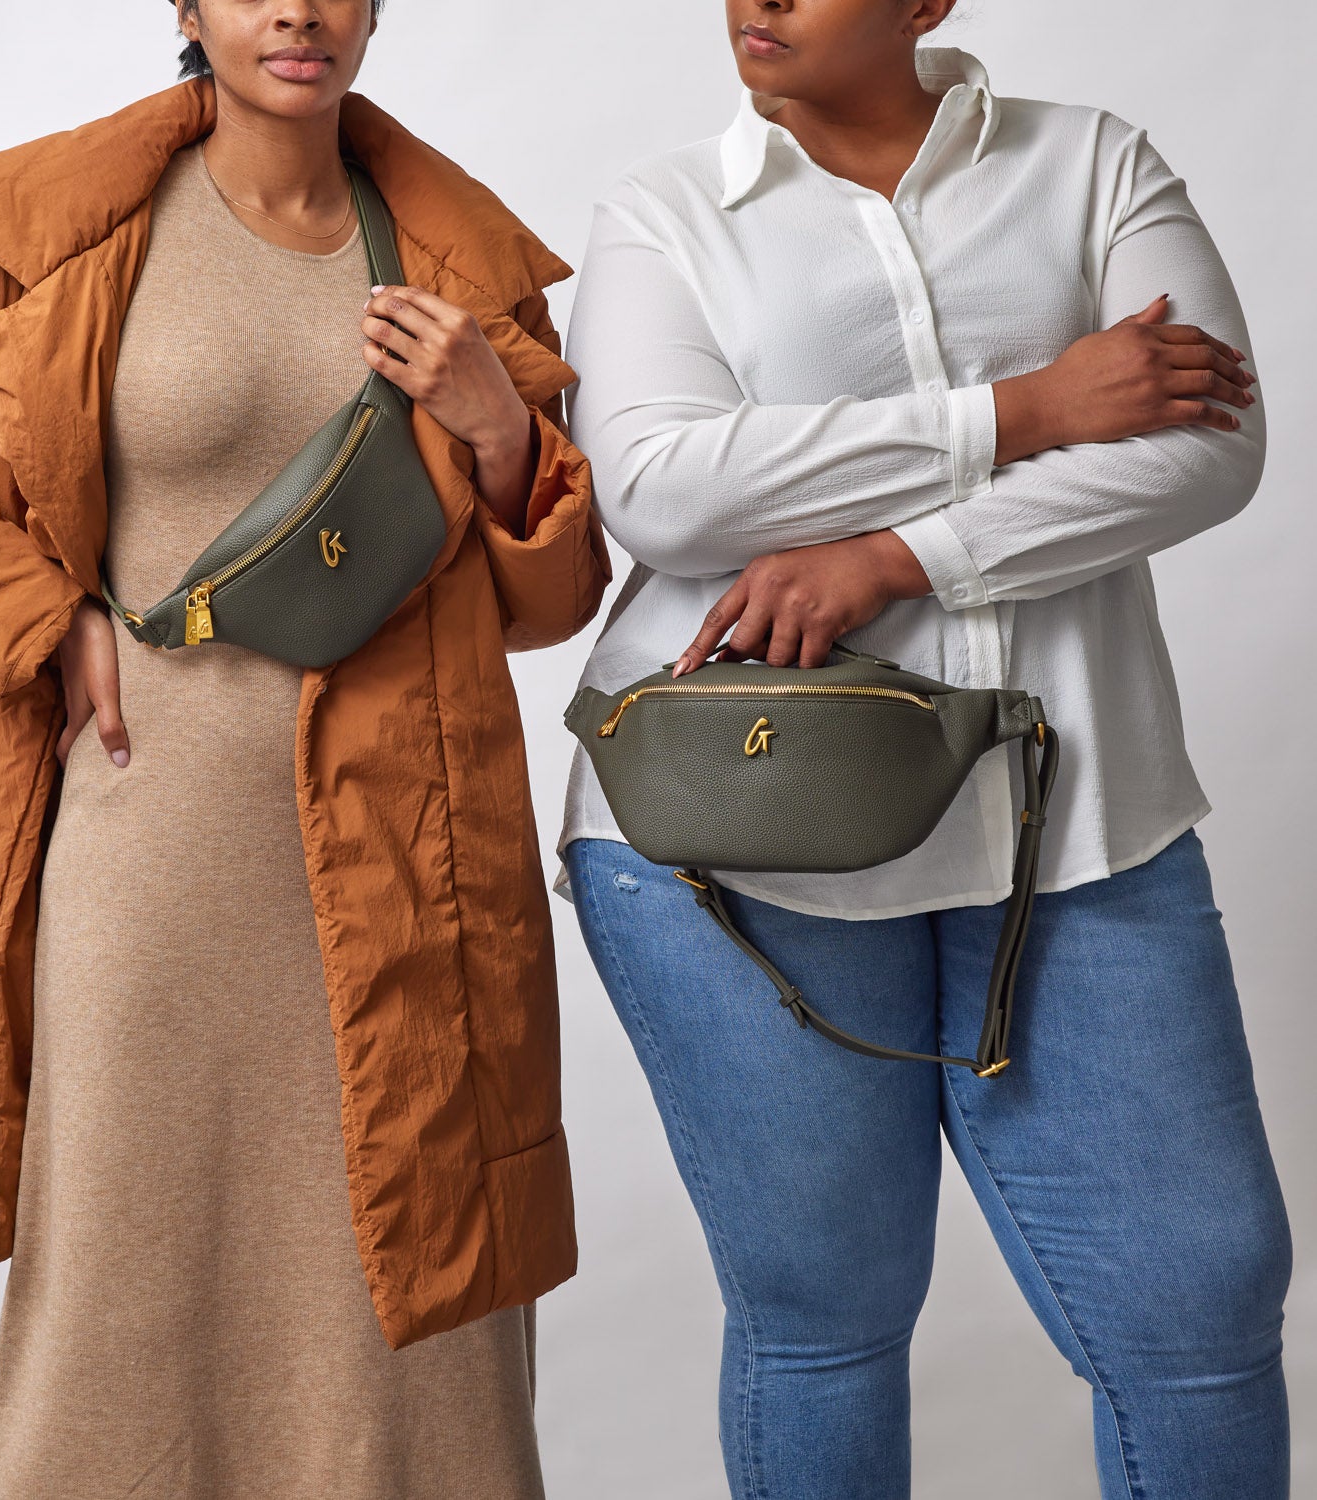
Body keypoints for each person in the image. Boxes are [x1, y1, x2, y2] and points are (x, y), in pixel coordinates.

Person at [0, 1, 611, 1494]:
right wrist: (41, 616)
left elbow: (549, 601)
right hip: (140, 849)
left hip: (406, 853)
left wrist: (502, 430)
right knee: (121, 1282)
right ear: (187, 7)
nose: (298, 12)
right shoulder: (42, 228)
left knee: (414, 1298)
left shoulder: (460, 263)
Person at [555, 2, 1289, 1497]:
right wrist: (1024, 409)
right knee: (826, 1320)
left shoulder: (1093, 168)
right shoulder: (663, 212)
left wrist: (901, 556)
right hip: (723, 839)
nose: (757, 1)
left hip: (1083, 823)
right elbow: (665, 491)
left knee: (1202, 1307)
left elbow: (1207, 445)